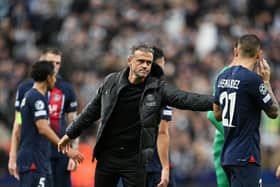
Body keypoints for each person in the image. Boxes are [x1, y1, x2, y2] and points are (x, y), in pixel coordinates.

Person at [58, 43, 213, 187]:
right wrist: (69, 134)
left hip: (135, 161)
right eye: (141, 61)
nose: (145, 66)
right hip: (107, 157)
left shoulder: (157, 89)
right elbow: (90, 112)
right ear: (130, 61)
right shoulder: (111, 82)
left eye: (148, 63)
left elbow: (187, 99)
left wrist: (218, 101)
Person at [213, 34, 279, 187]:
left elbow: (217, 114)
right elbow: (274, 112)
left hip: (227, 156)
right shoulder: (253, 80)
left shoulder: (222, 76)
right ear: (259, 55)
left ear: (236, 52)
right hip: (246, 157)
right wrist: (267, 82)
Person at [8, 48, 79, 187]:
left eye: (58, 63)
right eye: (51, 62)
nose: (55, 67)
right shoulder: (26, 89)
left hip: (59, 156)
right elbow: (18, 123)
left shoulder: (67, 89)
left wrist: (73, 150)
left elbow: (74, 124)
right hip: (36, 154)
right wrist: (12, 155)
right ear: (41, 61)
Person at [146, 46, 176, 187]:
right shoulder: (162, 92)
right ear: (160, 63)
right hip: (155, 165)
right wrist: (165, 167)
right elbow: (162, 131)